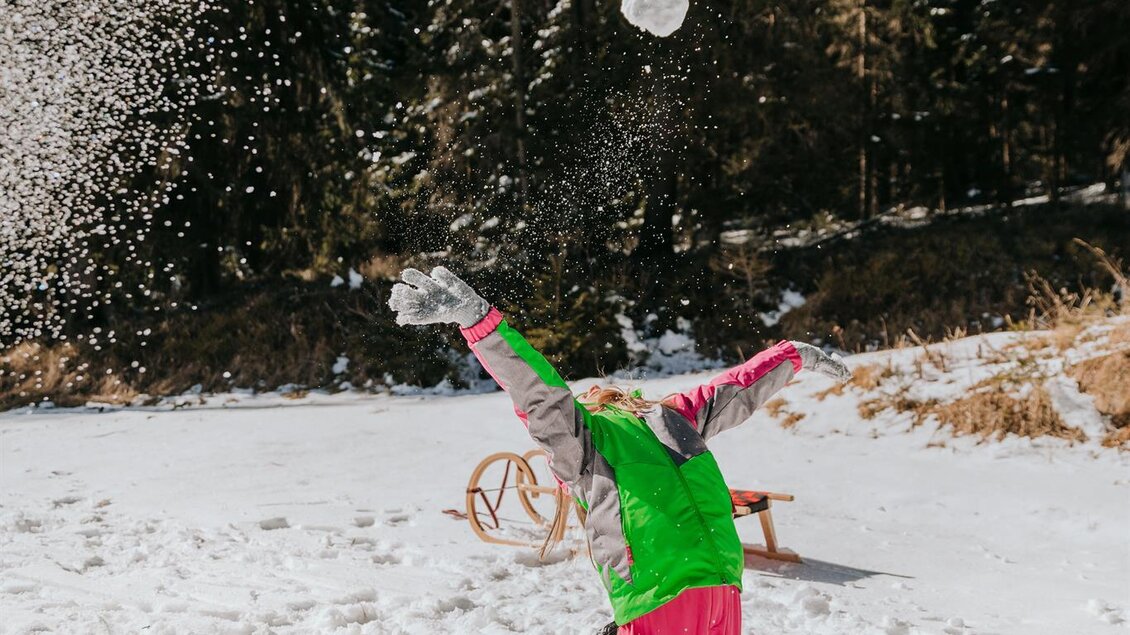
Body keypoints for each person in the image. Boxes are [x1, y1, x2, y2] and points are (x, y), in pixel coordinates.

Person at [388, 266, 852, 634]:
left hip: (658, 588)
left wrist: (480, 323)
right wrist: (792, 355)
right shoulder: (674, 418)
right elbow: (736, 389)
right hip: (720, 584)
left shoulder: (586, 442)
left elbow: (539, 393)